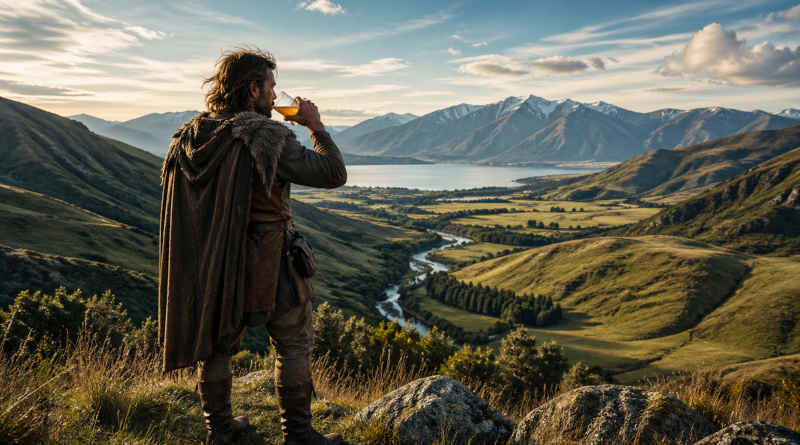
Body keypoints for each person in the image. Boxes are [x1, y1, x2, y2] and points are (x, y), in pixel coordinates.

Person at [158, 48, 347, 445]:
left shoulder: (190, 136)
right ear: (252, 89)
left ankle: (220, 432)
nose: (276, 98)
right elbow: (333, 173)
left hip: (211, 262)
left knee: (216, 345)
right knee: (292, 341)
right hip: (268, 259)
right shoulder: (265, 137)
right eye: (271, 88)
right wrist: (315, 125)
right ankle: (298, 434)